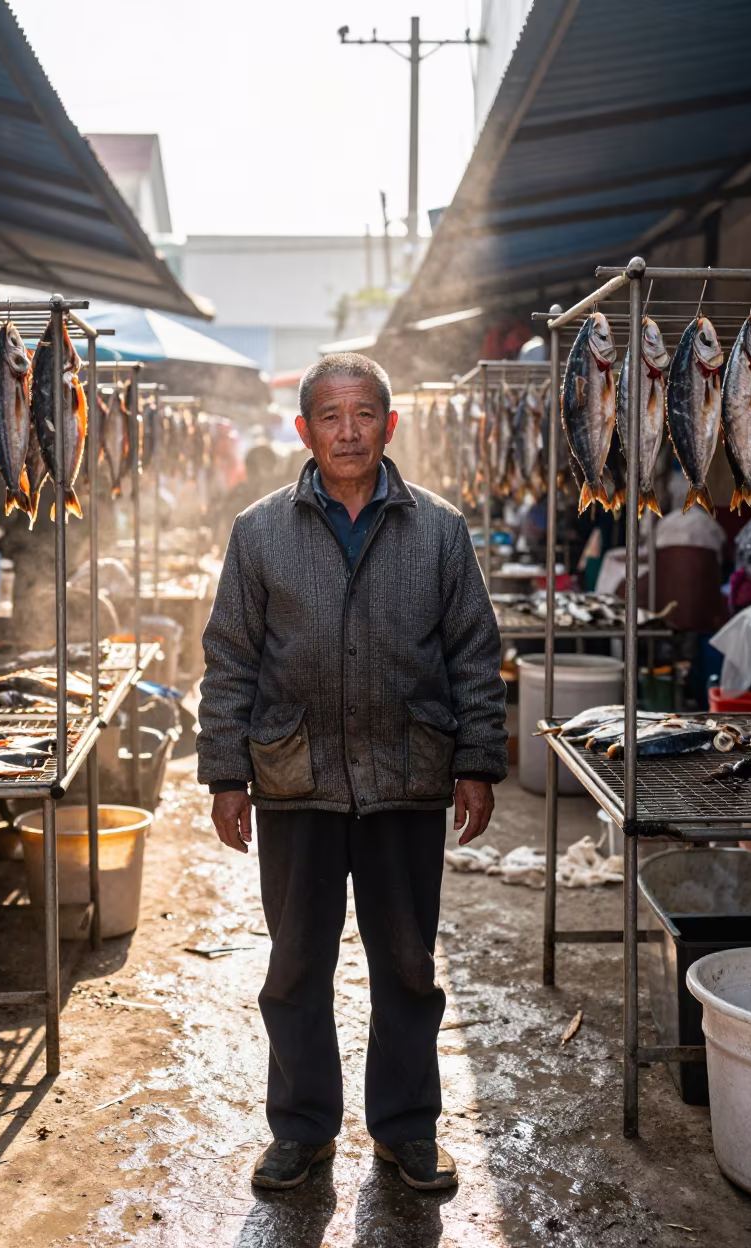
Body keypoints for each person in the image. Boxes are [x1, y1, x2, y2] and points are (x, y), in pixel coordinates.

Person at [197, 353, 507, 1192]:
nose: (347, 430)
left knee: (407, 963)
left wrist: (478, 761)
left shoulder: (439, 529)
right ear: (304, 431)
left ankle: (405, 1128)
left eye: (363, 414)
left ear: (389, 426)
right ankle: (301, 1129)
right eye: (329, 416)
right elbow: (229, 660)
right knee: (296, 964)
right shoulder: (259, 530)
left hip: (406, 774)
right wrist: (227, 774)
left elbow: (475, 654)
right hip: (296, 781)